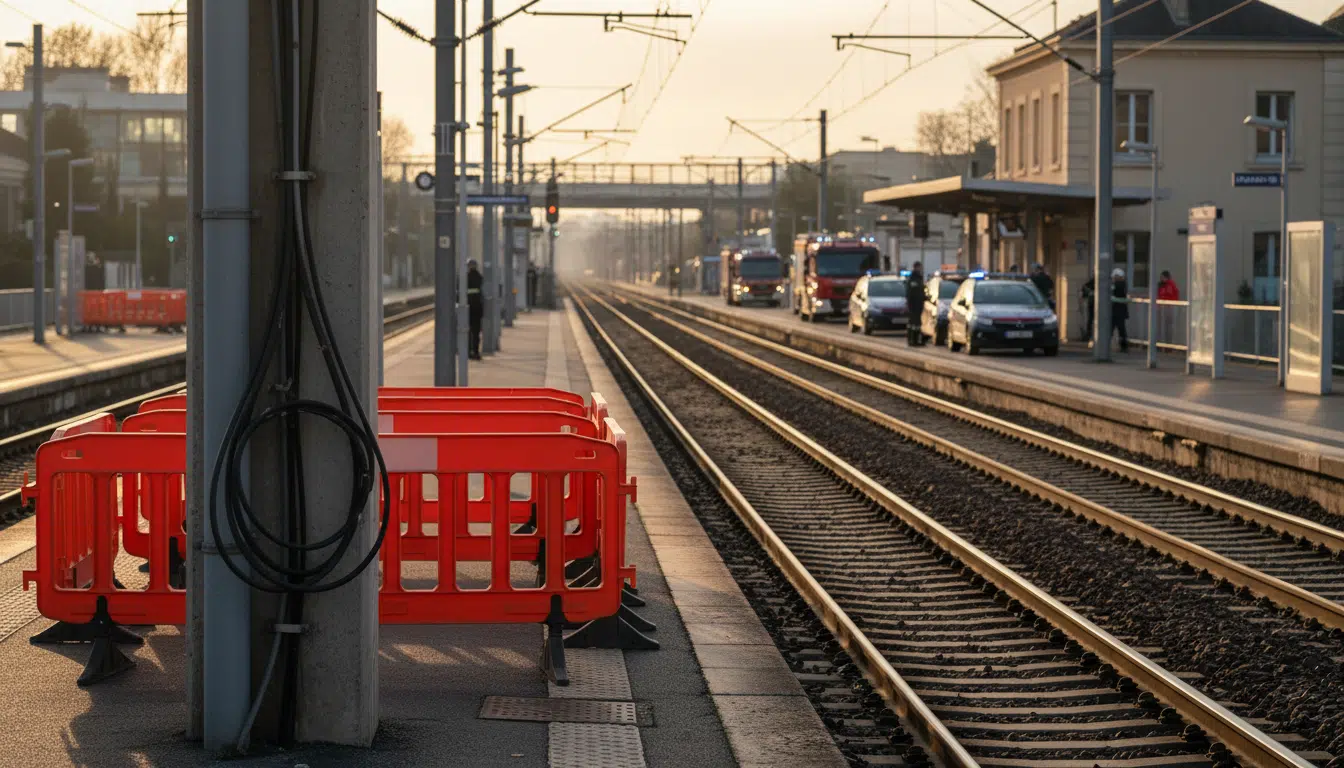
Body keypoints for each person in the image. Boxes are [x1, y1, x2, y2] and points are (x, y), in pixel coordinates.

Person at [905, 261, 926, 346]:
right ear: (916, 267)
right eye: (919, 267)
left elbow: (921, 292)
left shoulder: (919, 278)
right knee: (913, 323)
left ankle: (915, 340)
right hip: (914, 305)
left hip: (919, 304)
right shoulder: (913, 278)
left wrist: (925, 297)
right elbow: (912, 293)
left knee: (916, 324)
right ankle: (912, 340)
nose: (920, 269)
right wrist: (910, 304)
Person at [1110, 267, 1129, 352]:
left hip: (1117, 311)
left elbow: (1115, 293)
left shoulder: (1119, 285)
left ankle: (1123, 346)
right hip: (1119, 311)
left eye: (1114, 277)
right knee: (1121, 329)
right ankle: (1124, 346)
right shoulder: (1122, 284)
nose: (1113, 279)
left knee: (1116, 329)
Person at [467, 259, 483, 360]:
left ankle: (469, 351)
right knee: (476, 332)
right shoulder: (480, 277)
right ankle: (476, 352)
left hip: (467, 308)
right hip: (478, 308)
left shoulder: (465, 277)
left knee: (467, 331)